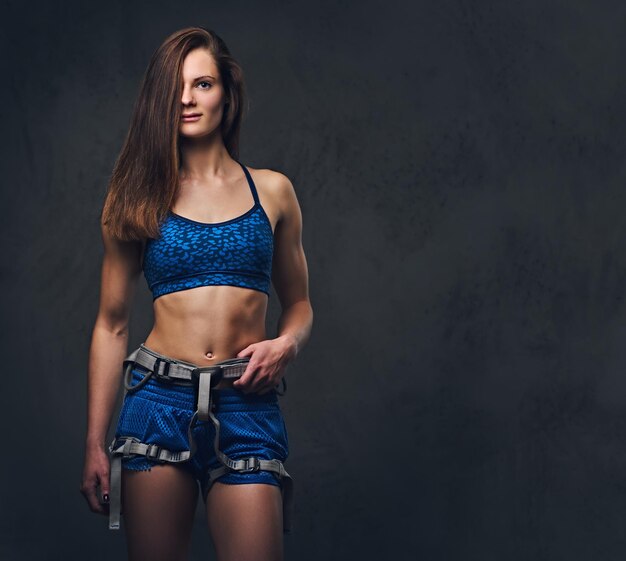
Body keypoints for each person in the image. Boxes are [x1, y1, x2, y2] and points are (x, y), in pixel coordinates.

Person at [79, 26, 313, 561]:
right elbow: (111, 324)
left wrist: (286, 345)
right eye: (176, 88)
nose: (186, 99)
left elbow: (299, 304)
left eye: (202, 84)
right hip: (158, 403)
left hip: (246, 404)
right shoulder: (137, 196)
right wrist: (94, 442)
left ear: (226, 94)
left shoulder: (272, 191)